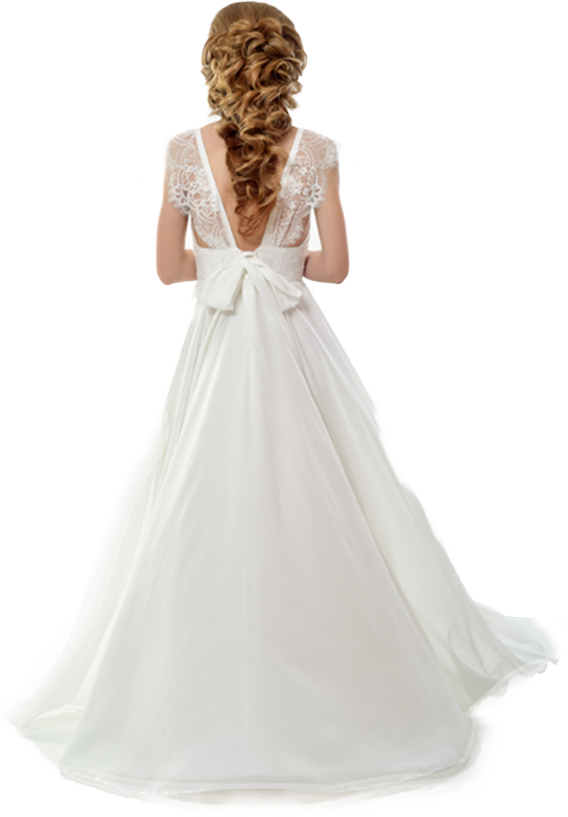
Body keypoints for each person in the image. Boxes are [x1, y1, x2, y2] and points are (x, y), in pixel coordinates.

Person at [0, 0, 560, 799]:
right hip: (296, 345)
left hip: (217, 346)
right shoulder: (318, 150)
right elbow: (334, 268)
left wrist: (226, 264)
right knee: (323, 493)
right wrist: (279, 261)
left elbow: (169, 269)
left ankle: (179, 693)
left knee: (195, 497)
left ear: (215, 65)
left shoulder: (183, 151)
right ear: (284, 65)